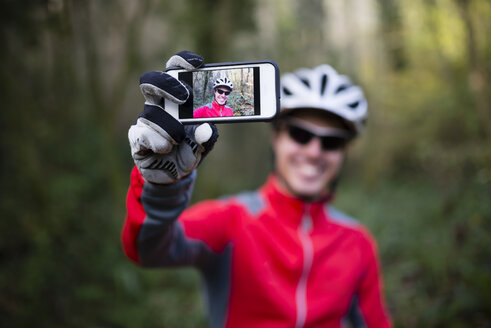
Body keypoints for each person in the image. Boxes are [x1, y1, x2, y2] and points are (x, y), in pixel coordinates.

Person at [124, 51, 392, 327]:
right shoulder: (230, 219)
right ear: (275, 137)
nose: (314, 152)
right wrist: (162, 188)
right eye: (300, 134)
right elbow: (148, 250)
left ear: (343, 153)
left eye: (331, 142)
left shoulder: (358, 243)